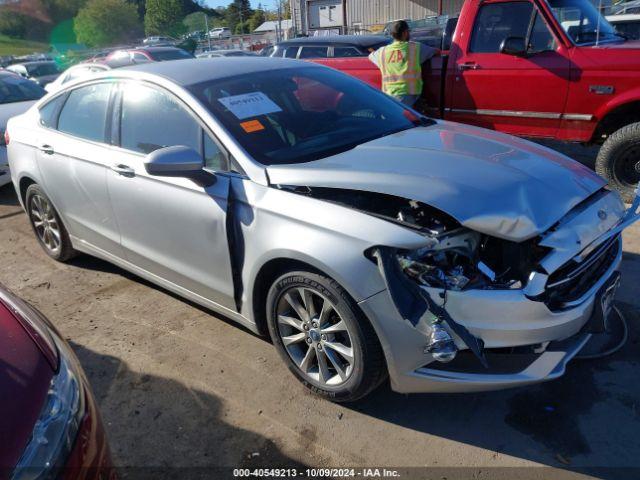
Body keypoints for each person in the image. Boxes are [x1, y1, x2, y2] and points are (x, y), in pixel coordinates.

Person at [369, 20, 436, 107]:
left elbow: (371, 56)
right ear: (405, 33)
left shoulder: (382, 52)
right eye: (409, 31)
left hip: (389, 96)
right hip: (409, 96)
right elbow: (435, 52)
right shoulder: (415, 48)